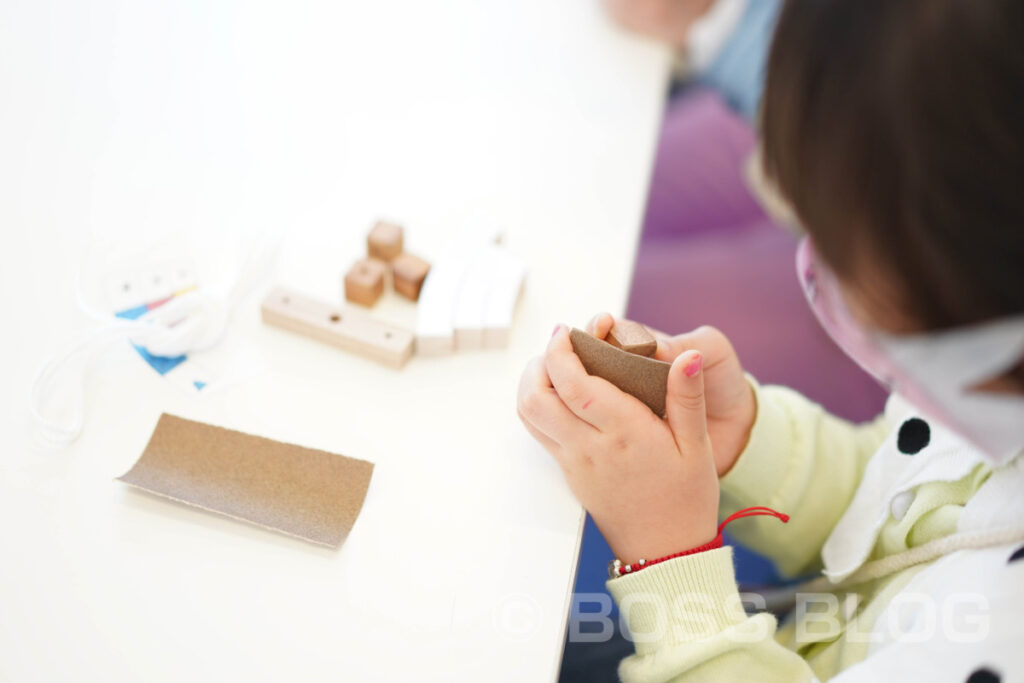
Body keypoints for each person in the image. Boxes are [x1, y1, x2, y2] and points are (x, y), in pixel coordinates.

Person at [519, 0, 1024, 680]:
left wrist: (670, 564)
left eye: (842, 256)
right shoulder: (983, 400)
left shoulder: (992, 640)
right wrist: (750, 442)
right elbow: (889, 486)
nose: (810, 260)